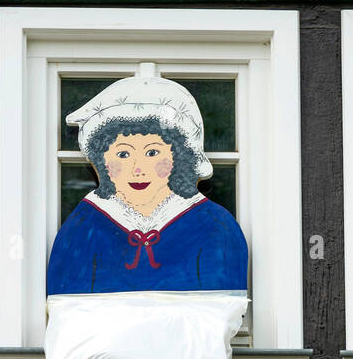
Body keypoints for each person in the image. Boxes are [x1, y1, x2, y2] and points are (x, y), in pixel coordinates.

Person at [46, 75, 247, 295]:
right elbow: (65, 303)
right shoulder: (84, 226)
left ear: (179, 156)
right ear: (101, 160)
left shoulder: (214, 224)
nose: (137, 168)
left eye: (152, 152)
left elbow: (224, 306)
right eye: (123, 154)